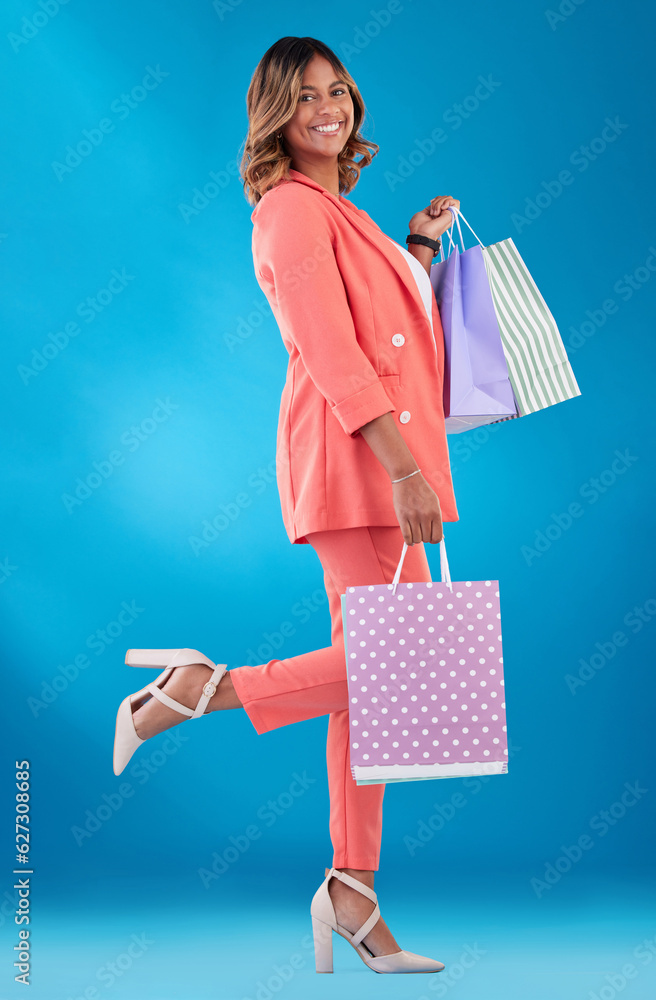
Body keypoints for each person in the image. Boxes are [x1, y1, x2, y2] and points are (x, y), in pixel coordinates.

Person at [112, 35, 460, 975]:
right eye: (305, 95)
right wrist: (403, 470)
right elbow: (333, 356)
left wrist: (417, 245)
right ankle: (200, 692)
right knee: (394, 667)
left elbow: (383, 329)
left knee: (378, 682)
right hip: (359, 463)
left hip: (385, 459)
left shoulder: (337, 211)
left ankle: (352, 891)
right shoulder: (287, 214)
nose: (327, 106)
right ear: (275, 111)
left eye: (337, 90)